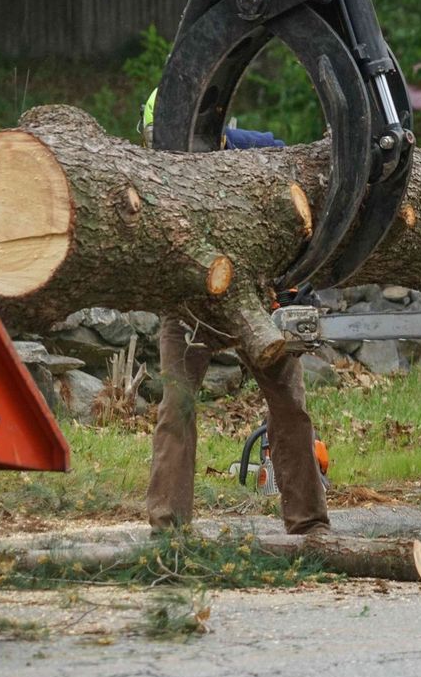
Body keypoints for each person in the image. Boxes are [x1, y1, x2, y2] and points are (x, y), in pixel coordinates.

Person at [139, 90, 330, 536]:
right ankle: (168, 530)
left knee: (289, 406)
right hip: (190, 304)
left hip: (258, 296)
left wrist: (297, 285)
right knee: (177, 406)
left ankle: (309, 524)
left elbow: (305, 215)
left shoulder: (259, 152)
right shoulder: (152, 175)